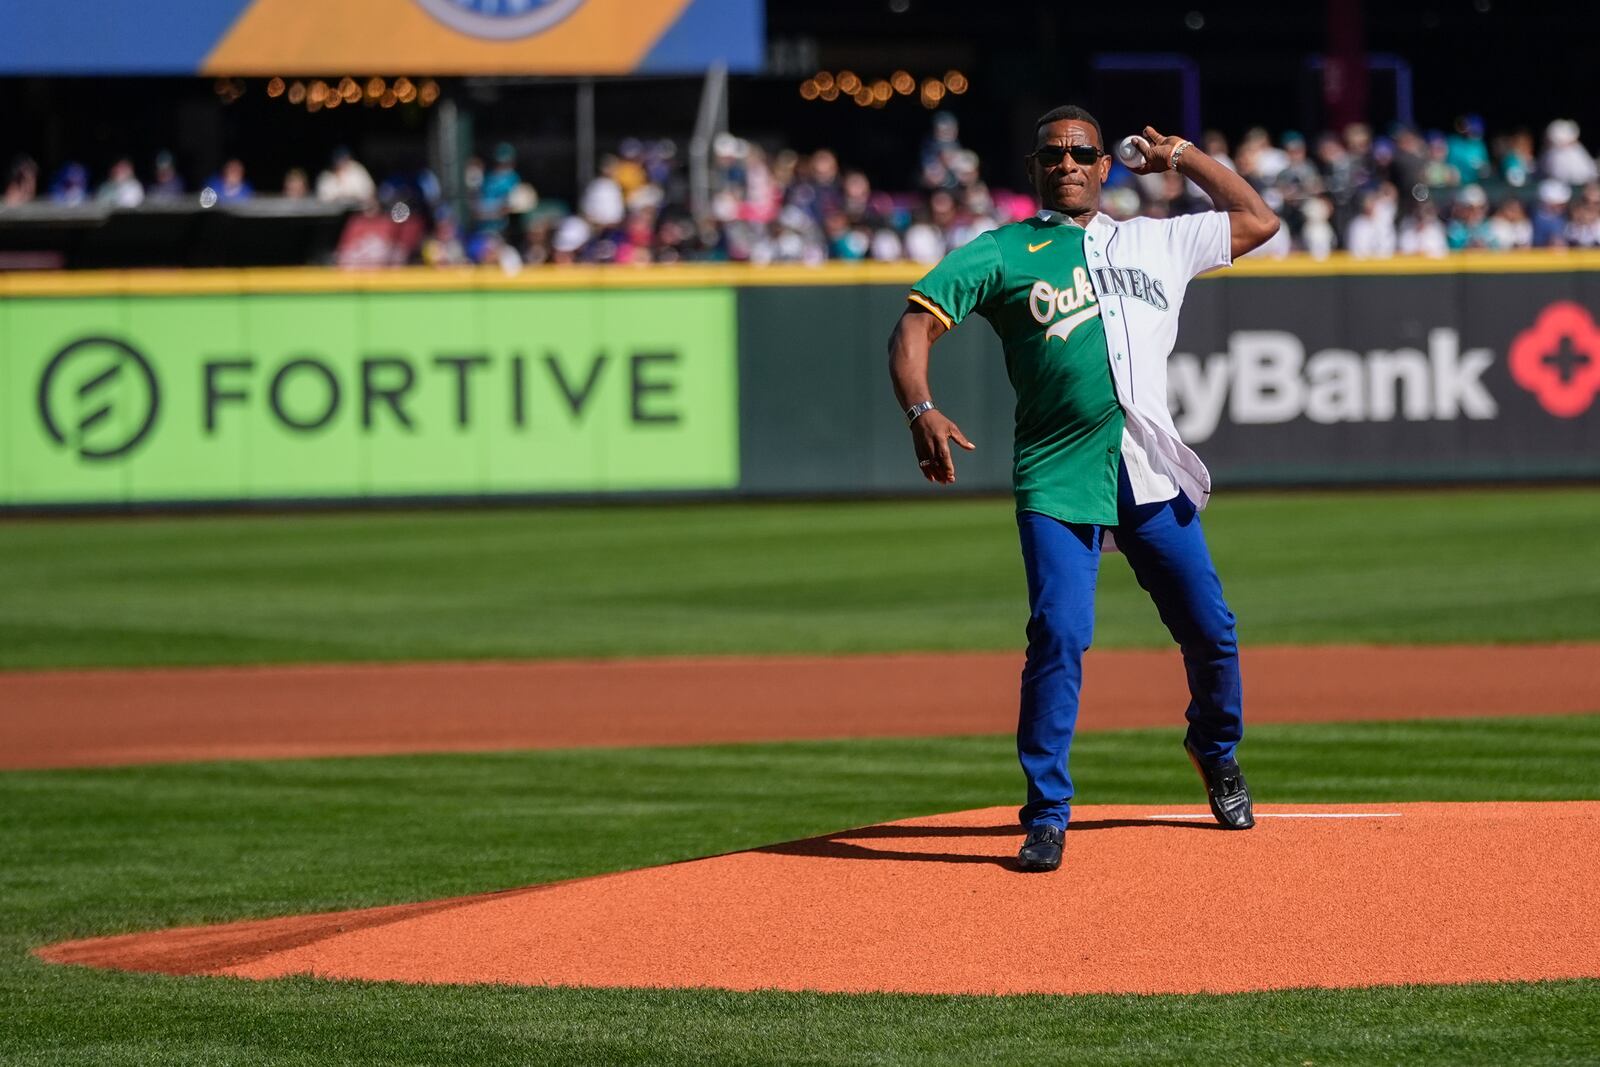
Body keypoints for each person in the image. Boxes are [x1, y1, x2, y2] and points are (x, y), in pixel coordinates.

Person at [886, 105, 1279, 873]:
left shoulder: (1153, 241)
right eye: (1052, 154)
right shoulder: (1003, 249)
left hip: (1149, 467)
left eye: (1082, 152)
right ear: (1034, 169)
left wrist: (1183, 156)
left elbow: (1257, 218)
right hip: (1059, 469)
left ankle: (1215, 748)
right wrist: (921, 408)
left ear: (1106, 165)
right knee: (1060, 635)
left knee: (1211, 629)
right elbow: (911, 329)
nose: (1067, 163)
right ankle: (1047, 814)